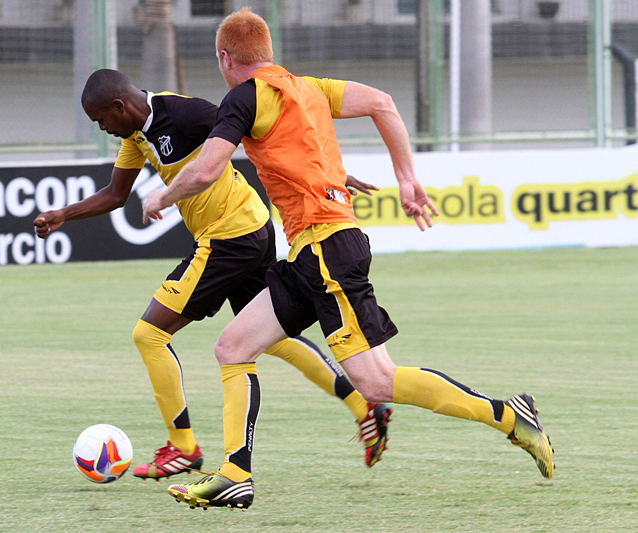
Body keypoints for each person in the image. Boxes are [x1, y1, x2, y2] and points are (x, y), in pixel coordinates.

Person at [142, 7, 554, 511]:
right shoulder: (308, 87)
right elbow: (380, 103)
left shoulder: (242, 98)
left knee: (378, 381)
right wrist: (404, 177)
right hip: (313, 252)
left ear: (225, 57)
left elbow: (206, 170)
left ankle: (508, 415)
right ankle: (234, 475)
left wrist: (160, 197)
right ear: (266, 53)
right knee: (233, 346)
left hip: (326, 249)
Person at [33, 69, 394, 481]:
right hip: (248, 229)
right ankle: (365, 407)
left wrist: (327, 173)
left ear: (119, 107)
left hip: (230, 238)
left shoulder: (184, 114)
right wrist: (63, 214)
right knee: (272, 338)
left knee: (149, 334)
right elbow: (116, 194)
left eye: (102, 121)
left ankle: (183, 448)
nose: (104, 130)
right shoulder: (135, 135)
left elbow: (261, 129)